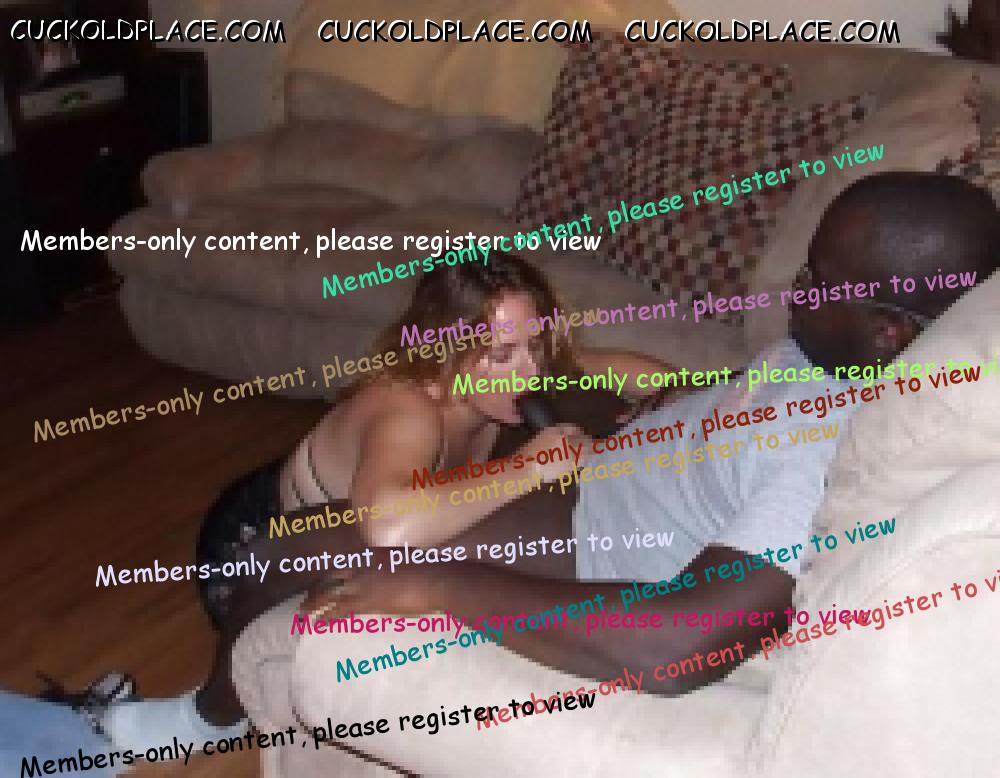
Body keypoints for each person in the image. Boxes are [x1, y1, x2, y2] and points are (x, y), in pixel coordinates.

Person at [292, 169, 1000, 703]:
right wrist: (668, 407)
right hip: (609, 464)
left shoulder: (823, 453)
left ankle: (224, 705)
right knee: (508, 388)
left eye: (817, 280)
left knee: (287, 557)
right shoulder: (833, 352)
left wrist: (440, 585)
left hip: (586, 528)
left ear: (888, 332)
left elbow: (676, 644)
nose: (795, 286)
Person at [78, 253, 669, 753]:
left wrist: (677, 400)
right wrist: (530, 466)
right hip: (252, 545)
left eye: (536, 345)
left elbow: (641, 373)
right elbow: (389, 527)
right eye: (500, 353)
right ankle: (204, 718)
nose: (528, 370)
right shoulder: (408, 411)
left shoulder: (520, 372)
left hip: (346, 504)